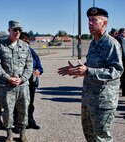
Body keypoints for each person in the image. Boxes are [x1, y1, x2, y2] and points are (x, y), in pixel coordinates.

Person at [58, 7, 123, 142]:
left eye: (94, 20)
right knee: (90, 137)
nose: (90, 23)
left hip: (103, 101)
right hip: (89, 99)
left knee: (102, 139)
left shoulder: (111, 44)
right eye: (89, 20)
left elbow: (117, 71)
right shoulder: (94, 43)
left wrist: (88, 71)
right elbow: (92, 65)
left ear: (104, 23)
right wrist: (78, 69)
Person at [0, 20, 33, 142]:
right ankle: (9, 134)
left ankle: (22, 133)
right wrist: (7, 77)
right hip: (6, 85)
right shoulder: (0, 46)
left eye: (19, 30)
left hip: (23, 86)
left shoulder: (25, 46)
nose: (17, 32)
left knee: (24, 109)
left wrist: (22, 79)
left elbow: (29, 65)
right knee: (7, 111)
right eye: (15, 29)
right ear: (9, 30)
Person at [13, 32, 43, 131]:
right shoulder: (14, 51)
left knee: (30, 103)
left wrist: (38, 70)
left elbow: (39, 65)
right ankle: (17, 124)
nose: (27, 42)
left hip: (31, 82)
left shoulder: (32, 52)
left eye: (28, 41)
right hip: (20, 82)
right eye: (24, 40)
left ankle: (30, 122)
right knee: (18, 104)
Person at [115, 28, 125, 97]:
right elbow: (123, 51)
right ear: (122, 32)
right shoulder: (121, 39)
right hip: (122, 60)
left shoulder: (115, 38)